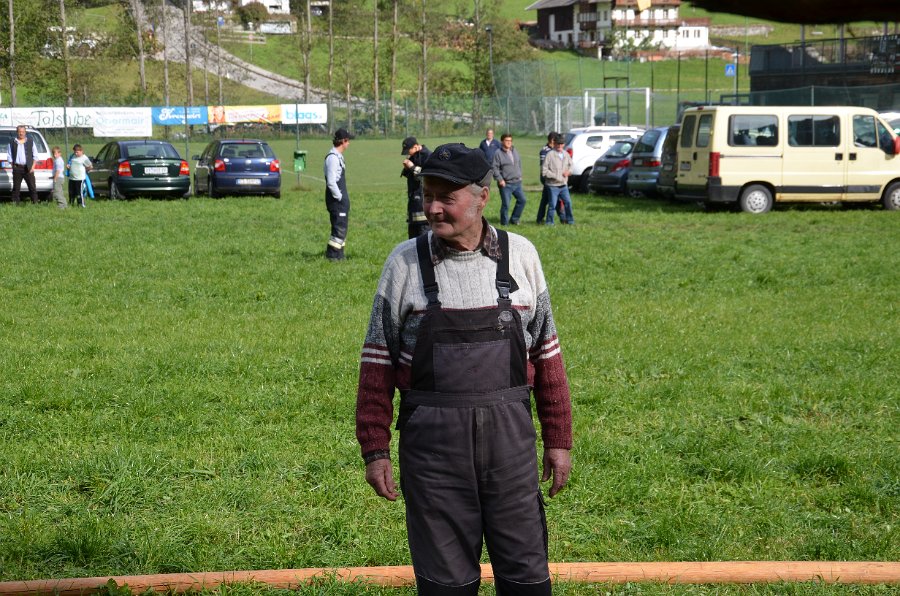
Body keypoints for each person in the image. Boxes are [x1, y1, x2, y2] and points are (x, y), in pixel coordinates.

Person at [357, 143, 573, 596]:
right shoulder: (404, 264)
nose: (433, 208)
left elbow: (547, 356)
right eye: (427, 195)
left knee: (527, 580)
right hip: (433, 460)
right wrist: (375, 449)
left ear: (482, 198)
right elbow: (377, 363)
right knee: (445, 586)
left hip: (511, 455)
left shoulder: (522, 256)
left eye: (446, 198)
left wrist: (558, 440)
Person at [324, 128, 354, 260]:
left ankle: (339, 255)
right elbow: (331, 182)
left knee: (341, 227)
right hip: (336, 200)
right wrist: (340, 197)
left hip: (340, 199)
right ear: (343, 141)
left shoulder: (338, 157)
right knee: (339, 228)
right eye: (348, 141)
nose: (349, 143)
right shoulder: (333, 158)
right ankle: (332, 256)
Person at [491, 133, 527, 225]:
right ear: (502, 141)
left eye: (510, 140)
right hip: (506, 184)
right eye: (507, 140)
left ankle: (514, 219)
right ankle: (504, 223)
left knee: (522, 200)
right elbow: (494, 168)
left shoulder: (515, 151)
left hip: (517, 182)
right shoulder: (498, 153)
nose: (509, 142)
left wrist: (520, 174)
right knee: (506, 204)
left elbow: (519, 163)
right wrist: (500, 179)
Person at [400, 136, 431, 239]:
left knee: (423, 238)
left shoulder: (428, 156)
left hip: (423, 208)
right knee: (412, 241)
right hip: (413, 204)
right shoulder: (413, 156)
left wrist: (412, 167)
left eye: (408, 151)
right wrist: (407, 168)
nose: (408, 154)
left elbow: (427, 176)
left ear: (416, 146)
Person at [541, 134, 574, 225]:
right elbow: (544, 171)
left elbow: (571, 166)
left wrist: (568, 172)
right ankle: (549, 222)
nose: (559, 146)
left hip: (563, 185)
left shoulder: (566, 154)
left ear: (564, 144)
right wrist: (556, 176)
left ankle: (570, 221)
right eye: (558, 144)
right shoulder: (549, 155)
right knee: (552, 205)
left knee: (568, 203)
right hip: (552, 186)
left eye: (561, 144)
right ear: (554, 144)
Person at [7, 125, 39, 205]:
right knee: (16, 188)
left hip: (28, 168)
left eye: (23, 132)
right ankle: (15, 203)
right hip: (17, 168)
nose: (21, 133)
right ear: (17, 132)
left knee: (32, 187)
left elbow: (35, 155)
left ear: (25, 132)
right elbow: (9, 155)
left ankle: (35, 203)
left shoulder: (30, 141)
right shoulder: (12, 142)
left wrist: (32, 167)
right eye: (19, 132)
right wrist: (13, 165)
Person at [535, 131, 557, 223]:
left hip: (554, 177)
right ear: (552, 140)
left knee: (545, 198)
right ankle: (552, 219)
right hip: (547, 178)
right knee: (553, 199)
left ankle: (540, 218)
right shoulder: (545, 151)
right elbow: (544, 166)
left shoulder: (555, 149)